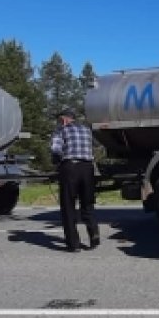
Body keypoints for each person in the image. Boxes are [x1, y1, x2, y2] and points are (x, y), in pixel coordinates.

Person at [50, 108, 100, 252]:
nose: (59, 122)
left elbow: (56, 149)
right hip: (87, 168)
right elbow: (96, 145)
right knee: (87, 204)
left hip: (70, 168)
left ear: (65, 119)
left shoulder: (61, 130)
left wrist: (56, 162)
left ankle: (73, 244)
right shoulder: (86, 130)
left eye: (60, 119)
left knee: (68, 206)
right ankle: (94, 236)